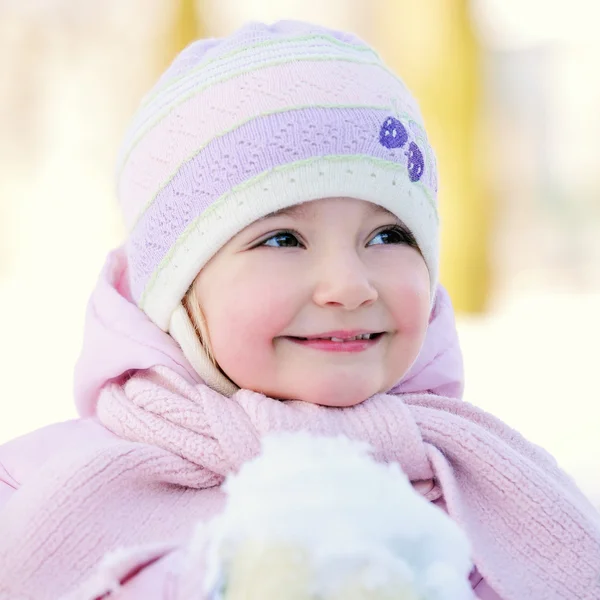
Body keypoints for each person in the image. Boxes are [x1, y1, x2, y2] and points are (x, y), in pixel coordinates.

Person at [0, 20, 597, 600]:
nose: (349, 285)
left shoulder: (497, 496)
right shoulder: (38, 494)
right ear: (175, 289)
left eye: (389, 235)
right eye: (282, 239)